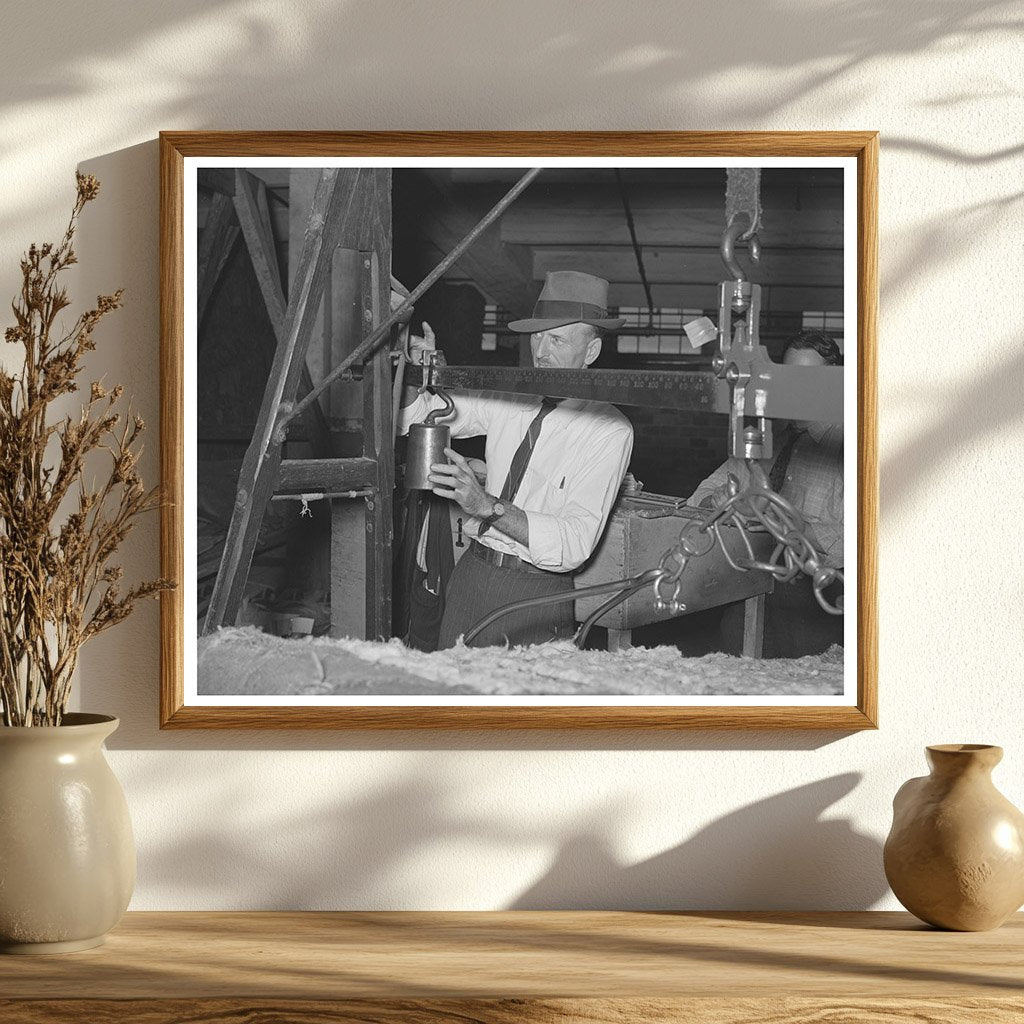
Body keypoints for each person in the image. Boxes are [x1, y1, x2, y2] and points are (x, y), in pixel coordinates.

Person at [398, 271, 634, 648]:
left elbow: (574, 543)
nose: (541, 352)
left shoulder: (609, 431)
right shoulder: (510, 397)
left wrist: (486, 506)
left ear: (591, 351)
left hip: (536, 594)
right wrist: (415, 375)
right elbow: (419, 418)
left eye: (557, 339)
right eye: (537, 336)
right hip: (471, 576)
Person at [687, 330, 844, 657]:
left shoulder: (854, 445)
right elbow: (704, 491)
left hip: (821, 600)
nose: (796, 389)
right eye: (788, 377)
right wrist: (715, 502)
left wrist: (799, 529)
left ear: (833, 379)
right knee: (731, 641)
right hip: (757, 587)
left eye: (808, 378)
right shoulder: (768, 439)